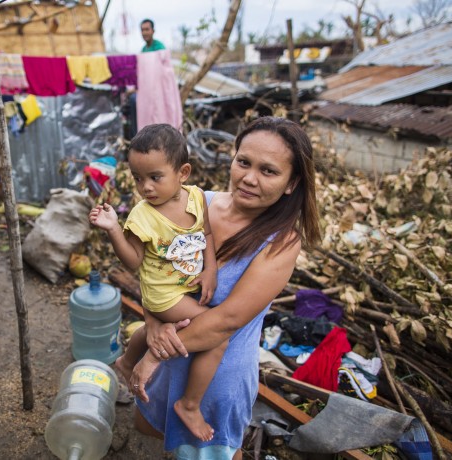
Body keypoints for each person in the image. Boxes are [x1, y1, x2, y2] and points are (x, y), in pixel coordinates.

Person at [128, 117, 321, 459]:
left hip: (213, 383)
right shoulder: (195, 203)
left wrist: (152, 353)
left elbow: (227, 320)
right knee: (152, 437)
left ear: (291, 184)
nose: (249, 177)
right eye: (244, 162)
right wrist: (153, 321)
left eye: (269, 171)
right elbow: (154, 271)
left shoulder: (281, 243)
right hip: (168, 361)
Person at [89, 123, 223, 442]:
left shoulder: (196, 199)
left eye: (154, 177)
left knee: (149, 331)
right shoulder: (141, 216)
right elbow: (133, 260)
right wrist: (113, 230)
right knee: (218, 335)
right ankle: (189, 405)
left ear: (183, 172)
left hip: (184, 286)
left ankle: (125, 362)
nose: (145, 187)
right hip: (164, 294)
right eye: (138, 178)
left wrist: (211, 269)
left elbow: (206, 235)